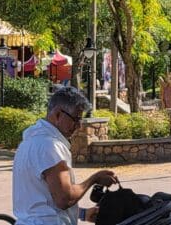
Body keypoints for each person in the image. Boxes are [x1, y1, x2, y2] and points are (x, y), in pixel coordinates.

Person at [12, 86, 118, 225]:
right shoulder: (49, 146)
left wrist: (82, 214)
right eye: (75, 119)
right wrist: (94, 179)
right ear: (57, 114)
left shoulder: (29, 141)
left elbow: (42, 201)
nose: (78, 126)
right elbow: (64, 199)